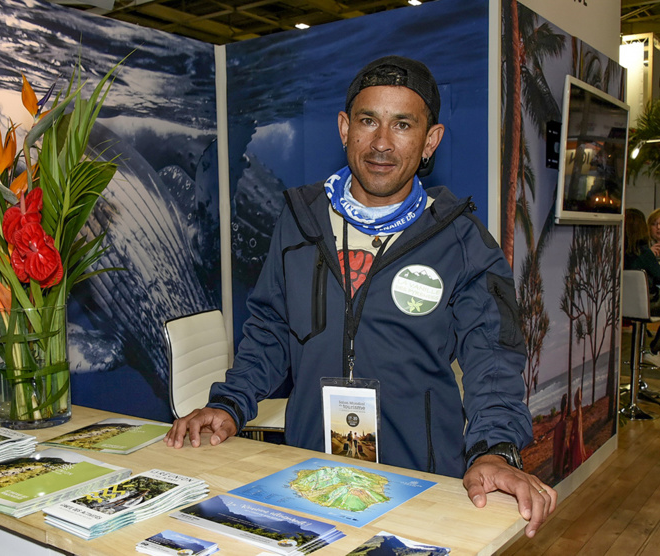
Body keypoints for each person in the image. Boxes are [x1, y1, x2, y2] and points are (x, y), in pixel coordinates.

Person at [165, 55, 556, 537]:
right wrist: (229, 404)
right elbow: (270, 330)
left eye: (403, 125)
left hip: (421, 484)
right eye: (368, 121)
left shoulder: (462, 241)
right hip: (307, 478)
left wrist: (495, 451)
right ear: (345, 128)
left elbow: (493, 359)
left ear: (430, 140)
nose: (382, 143)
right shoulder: (299, 221)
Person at [623, 208, 660, 362]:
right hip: (646, 306)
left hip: (625, 306)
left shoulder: (621, 253)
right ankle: (655, 351)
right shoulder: (644, 253)